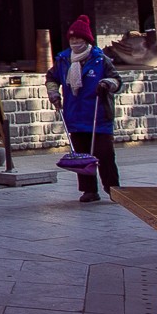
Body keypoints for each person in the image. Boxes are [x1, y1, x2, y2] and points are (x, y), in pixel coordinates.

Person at [49, 15, 122, 202]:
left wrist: (106, 83)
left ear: (87, 40)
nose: (75, 42)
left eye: (78, 39)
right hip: (75, 116)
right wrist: (54, 95)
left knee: (105, 154)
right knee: (82, 157)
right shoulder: (63, 60)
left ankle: (113, 189)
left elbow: (117, 80)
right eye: (72, 39)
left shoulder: (101, 60)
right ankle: (89, 190)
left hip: (99, 115)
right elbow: (51, 78)